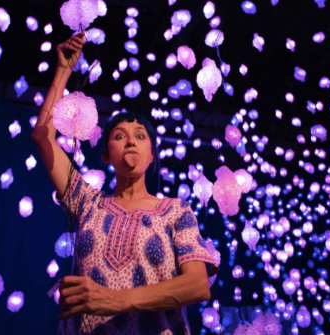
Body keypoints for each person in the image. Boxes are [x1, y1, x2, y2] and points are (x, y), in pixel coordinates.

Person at [32, 33, 219, 334]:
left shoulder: (176, 211)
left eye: (140, 136)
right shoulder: (87, 202)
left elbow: (198, 285)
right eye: (119, 136)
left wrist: (118, 300)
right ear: (106, 154)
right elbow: (43, 135)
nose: (130, 140)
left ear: (152, 157)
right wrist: (64, 70)